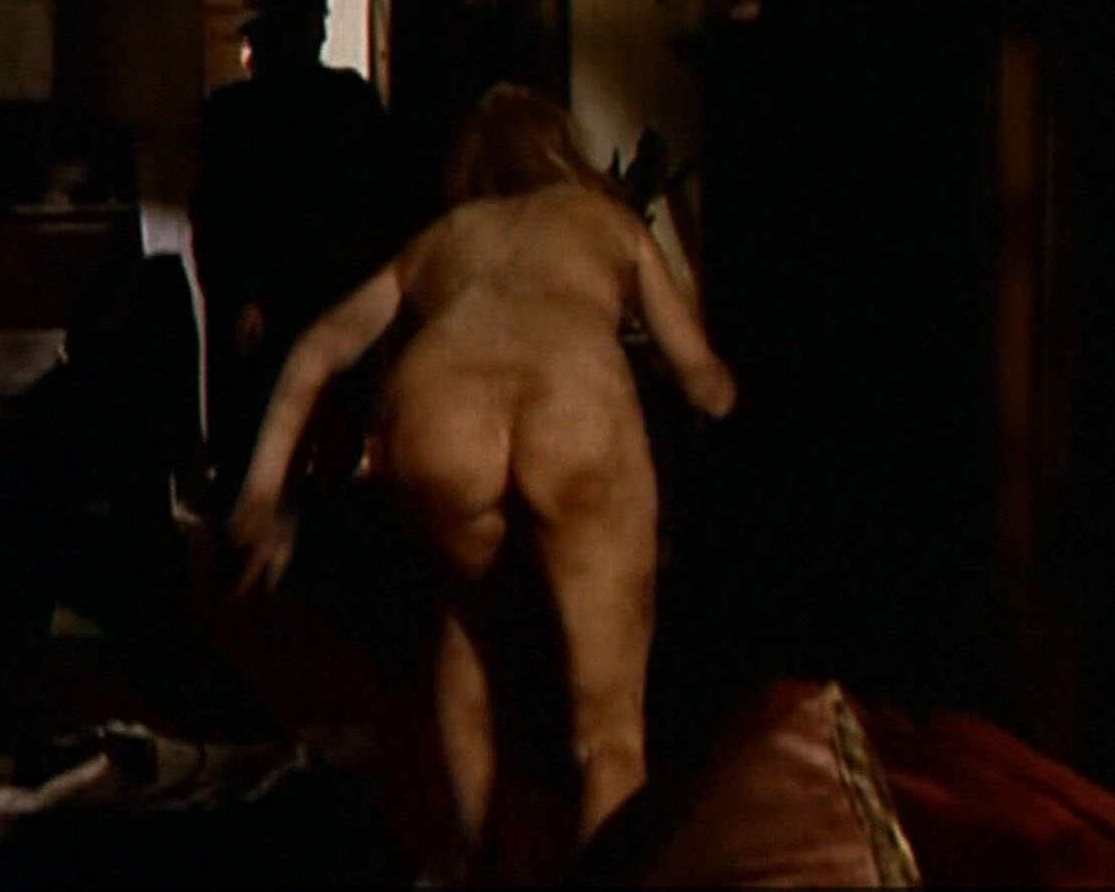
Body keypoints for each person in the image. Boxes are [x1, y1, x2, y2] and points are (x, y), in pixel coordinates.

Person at [226, 83, 738, 882]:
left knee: (469, 626)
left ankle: (474, 868)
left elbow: (323, 344)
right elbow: (701, 377)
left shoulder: (444, 238)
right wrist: (735, 420)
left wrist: (261, 492)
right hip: (571, 406)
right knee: (609, 731)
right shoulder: (606, 221)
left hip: (443, 407)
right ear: (561, 152)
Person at [193, 0, 407, 517]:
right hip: (271, 305)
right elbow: (218, 215)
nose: (320, 33)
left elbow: (380, 202)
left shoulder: (349, 101)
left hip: (333, 291)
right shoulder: (233, 114)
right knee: (259, 441)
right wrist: (240, 294)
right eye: (311, 22)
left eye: (320, 22)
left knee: (333, 446)